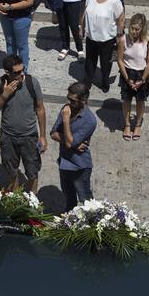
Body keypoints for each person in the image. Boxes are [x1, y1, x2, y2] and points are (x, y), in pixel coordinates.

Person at [0, 54, 46, 192]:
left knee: (32, 172)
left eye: (23, 70)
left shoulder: (32, 83)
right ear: (7, 73)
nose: (22, 74)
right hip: (8, 137)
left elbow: (40, 109)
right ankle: (14, 199)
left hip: (29, 137)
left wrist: (43, 136)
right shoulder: (1, 83)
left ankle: (32, 202)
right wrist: (4, 95)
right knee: (11, 171)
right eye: (17, 72)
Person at [51, 82, 97, 210]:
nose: (69, 102)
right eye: (68, 98)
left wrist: (66, 121)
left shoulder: (89, 120)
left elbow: (69, 142)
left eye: (73, 100)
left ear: (84, 100)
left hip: (79, 167)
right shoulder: (66, 109)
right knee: (69, 198)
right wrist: (73, 144)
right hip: (64, 163)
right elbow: (53, 134)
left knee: (86, 200)